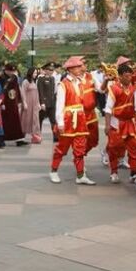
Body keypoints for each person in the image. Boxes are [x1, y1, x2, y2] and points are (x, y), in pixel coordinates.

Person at [49, 56, 96, 186]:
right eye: (78, 67)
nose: (81, 69)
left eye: (80, 67)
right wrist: (60, 123)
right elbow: (59, 105)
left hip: (80, 118)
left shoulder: (80, 82)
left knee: (80, 148)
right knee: (62, 148)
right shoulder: (63, 84)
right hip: (68, 119)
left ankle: (80, 175)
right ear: (70, 69)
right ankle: (53, 171)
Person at [104, 63, 136, 184]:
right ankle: (114, 172)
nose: (129, 78)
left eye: (130, 76)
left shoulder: (135, 88)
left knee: (134, 147)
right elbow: (108, 108)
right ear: (120, 76)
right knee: (114, 149)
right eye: (126, 76)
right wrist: (107, 125)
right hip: (117, 123)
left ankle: (134, 173)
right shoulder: (114, 88)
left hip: (130, 122)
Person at [1, 64, 26, 146]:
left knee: (16, 121)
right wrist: (2, 102)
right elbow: (2, 90)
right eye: (10, 71)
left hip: (13, 102)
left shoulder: (14, 78)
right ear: (6, 70)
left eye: (13, 71)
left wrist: (19, 101)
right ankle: (2, 138)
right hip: (5, 102)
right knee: (5, 121)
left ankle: (19, 139)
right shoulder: (2, 78)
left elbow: (17, 89)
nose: (12, 72)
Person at [20, 67, 42, 144]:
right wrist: (24, 103)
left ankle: (35, 136)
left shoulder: (34, 81)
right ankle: (21, 137)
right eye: (34, 73)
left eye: (36, 73)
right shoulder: (25, 82)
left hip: (34, 104)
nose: (36, 74)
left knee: (35, 119)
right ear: (31, 73)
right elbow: (23, 92)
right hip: (28, 104)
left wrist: (38, 103)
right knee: (26, 119)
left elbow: (36, 93)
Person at [36, 63, 58, 141]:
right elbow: (40, 92)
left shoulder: (52, 78)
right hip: (44, 103)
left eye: (52, 70)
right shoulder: (41, 79)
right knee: (40, 120)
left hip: (52, 103)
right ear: (45, 70)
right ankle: (38, 136)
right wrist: (42, 103)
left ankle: (56, 136)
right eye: (50, 70)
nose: (51, 71)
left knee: (53, 120)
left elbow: (53, 91)